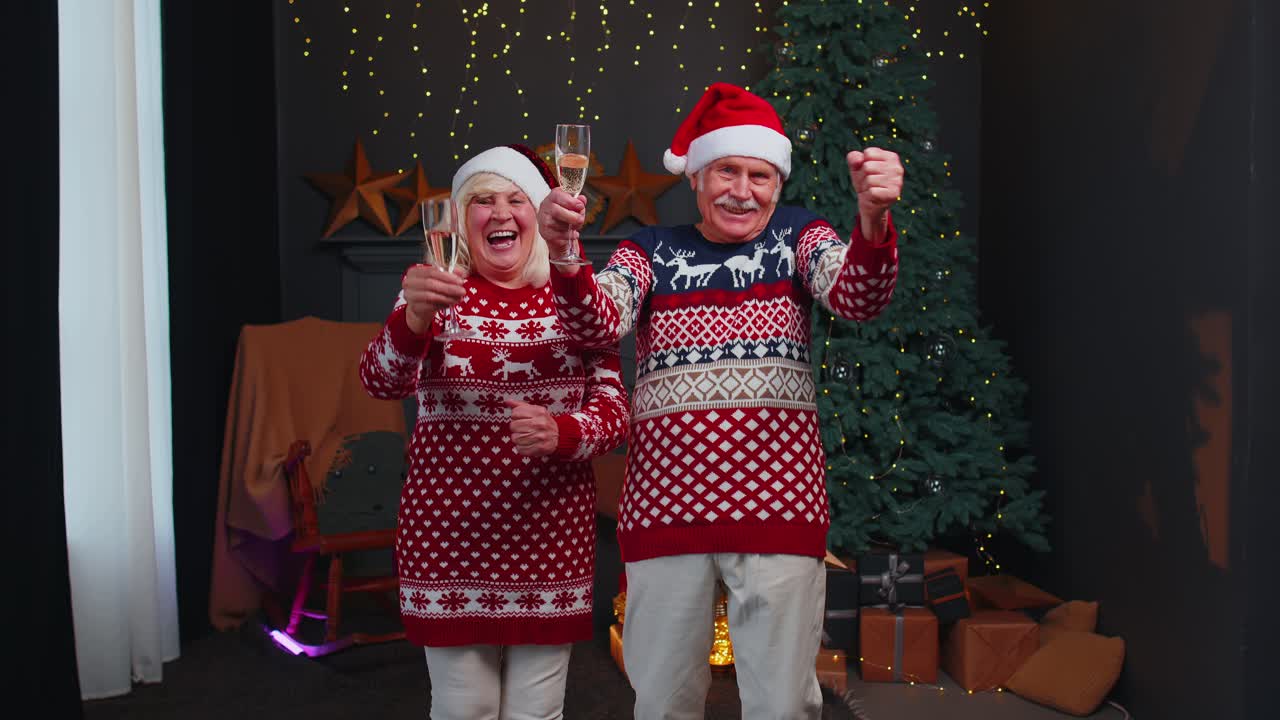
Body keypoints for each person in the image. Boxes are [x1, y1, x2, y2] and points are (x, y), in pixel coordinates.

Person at [537, 83, 904, 719]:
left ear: (778, 182)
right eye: (726, 171)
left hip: (779, 508)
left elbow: (858, 297)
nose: (742, 189)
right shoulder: (647, 251)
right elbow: (596, 325)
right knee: (664, 702)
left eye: (758, 175)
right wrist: (566, 255)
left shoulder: (799, 237)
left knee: (782, 705)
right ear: (698, 179)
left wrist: (872, 220)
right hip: (665, 511)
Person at [359, 144, 630, 720]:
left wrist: (561, 431)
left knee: (537, 712)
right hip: (449, 539)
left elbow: (613, 414)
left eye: (516, 200)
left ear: (541, 215)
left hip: (549, 539)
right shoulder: (436, 293)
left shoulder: (581, 300)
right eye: (483, 200)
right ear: (462, 217)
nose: (500, 213)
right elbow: (380, 381)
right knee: (465, 709)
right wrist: (411, 318)